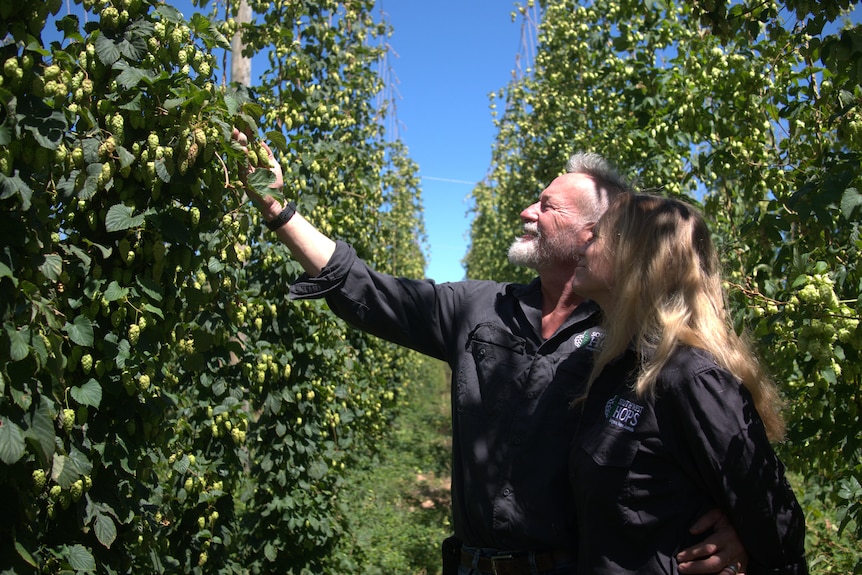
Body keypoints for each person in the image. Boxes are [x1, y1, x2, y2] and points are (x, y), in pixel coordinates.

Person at [236, 131, 749, 574]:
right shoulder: (478, 307)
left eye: (547, 206)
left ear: (595, 235)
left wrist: (736, 524)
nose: (527, 211)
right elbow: (366, 289)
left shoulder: (636, 343)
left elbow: (705, 452)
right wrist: (277, 207)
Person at [568, 193, 808, 574]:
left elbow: (779, 528)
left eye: (596, 236)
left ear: (635, 255)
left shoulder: (690, 378)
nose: (581, 243)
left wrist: (746, 544)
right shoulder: (616, 368)